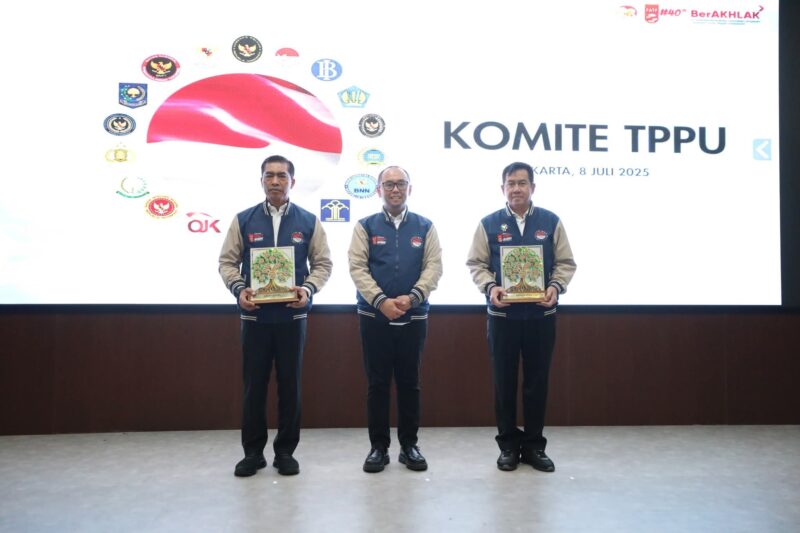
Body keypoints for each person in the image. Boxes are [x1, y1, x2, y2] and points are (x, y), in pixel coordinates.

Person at [219, 154, 332, 477]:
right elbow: (227, 262)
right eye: (269, 176)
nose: (275, 181)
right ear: (261, 181)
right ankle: (252, 453)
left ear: (292, 182)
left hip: (292, 319)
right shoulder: (243, 219)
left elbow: (323, 264)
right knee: (254, 388)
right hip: (254, 319)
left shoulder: (309, 220)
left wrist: (308, 290)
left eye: (282, 176)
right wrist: (239, 288)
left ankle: (285, 452)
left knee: (290, 387)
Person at [466, 162, 576, 473]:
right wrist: (490, 286)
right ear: (503, 188)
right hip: (503, 317)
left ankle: (534, 446)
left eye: (522, 183)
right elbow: (476, 263)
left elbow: (566, 262)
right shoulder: (488, 224)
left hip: (541, 316)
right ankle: (508, 448)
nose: (517, 188)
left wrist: (556, 286)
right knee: (504, 384)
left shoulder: (550, 221)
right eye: (511, 183)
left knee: (537, 383)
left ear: (532, 188)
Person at [348, 165, 443, 473]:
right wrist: (381, 302)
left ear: (409, 189)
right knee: (377, 384)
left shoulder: (425, 226)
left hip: (414, 317)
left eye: (400, 184)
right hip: (373, 317)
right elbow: (357, 268)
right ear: (378, 190)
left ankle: (409, 446)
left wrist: (413, 297)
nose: (394, 189)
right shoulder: (365, 226)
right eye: (388, 184)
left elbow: (434, 267)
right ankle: (378, 448)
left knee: (409, 383)